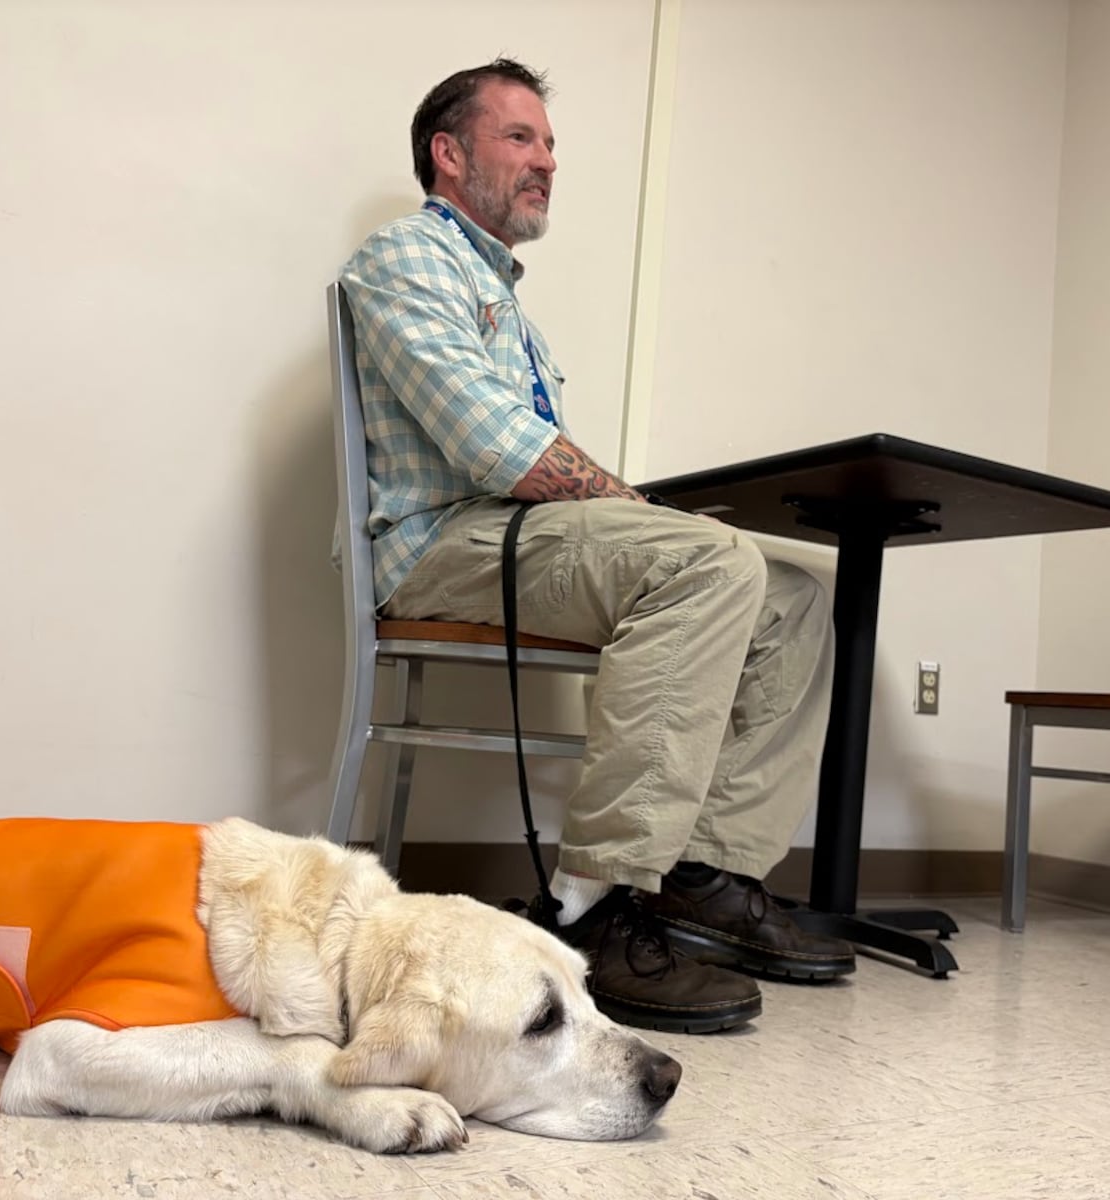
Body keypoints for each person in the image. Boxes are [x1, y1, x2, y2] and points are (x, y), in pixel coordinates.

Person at [338, 59, 852, 1034]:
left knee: (791, 590)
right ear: (448, 155)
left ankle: (702, 878)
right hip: (443, 543)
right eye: (520, 138)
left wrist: (644, 517)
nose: (546, 162)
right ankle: (593, 906)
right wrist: (653, 519)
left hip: (509, 534)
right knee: (706, 557)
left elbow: (544, 475)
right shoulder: (406, 258)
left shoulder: (514, 312)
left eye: (550, 145)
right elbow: (492, 446)